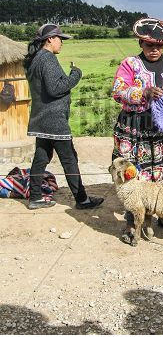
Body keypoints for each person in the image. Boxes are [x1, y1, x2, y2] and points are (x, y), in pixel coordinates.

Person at [112, 17, 163, 242]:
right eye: (150, 45)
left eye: (159, 46)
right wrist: (143, 93)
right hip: (136, 128)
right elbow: (118, 90)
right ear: (141, 43)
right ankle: (133, 223)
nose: (154, 50)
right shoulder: (130, 64)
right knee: (134, 176)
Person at [24, 23, 104, 210]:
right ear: (50, 39)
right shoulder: (47, 58)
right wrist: (75, 74)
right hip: (54, 120)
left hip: (40, 118)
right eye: (60, 39)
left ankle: (35, 197)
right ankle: (82, 200)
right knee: (70, 159)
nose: (62, 43)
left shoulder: (36, 59)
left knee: (41, 158)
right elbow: (55, 88)